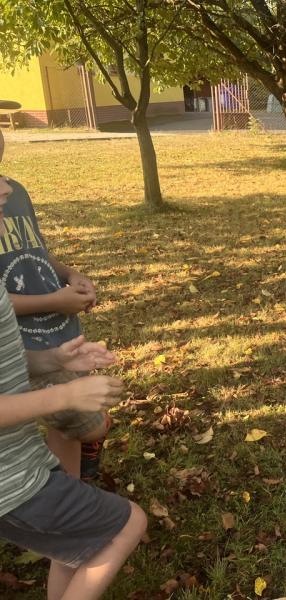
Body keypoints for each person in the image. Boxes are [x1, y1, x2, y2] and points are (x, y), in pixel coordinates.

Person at [0, 168, 147, 600]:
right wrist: (65, 394)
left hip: (20, 461)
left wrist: (54, 360)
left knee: (77, 545)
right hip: (10, 482)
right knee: (126, 524)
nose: (6, 187)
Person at [0, 104, 109, 481]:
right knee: (88, 423)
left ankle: (72, 489)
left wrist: (70, 275)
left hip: (58, 331)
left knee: (76, 425)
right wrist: (55, 300)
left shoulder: (14, 192)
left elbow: (35, 249)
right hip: (21, 343)